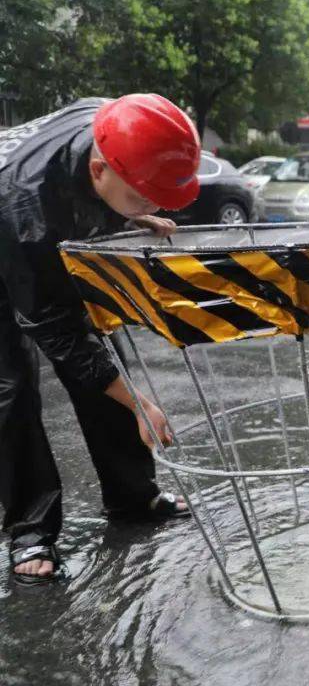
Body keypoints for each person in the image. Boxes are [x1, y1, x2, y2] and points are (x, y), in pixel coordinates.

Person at [0, 94, 200, 585]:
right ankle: (31, 529)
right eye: (143, 195)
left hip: (40, 224)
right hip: (8, 226)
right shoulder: (29, 214)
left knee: (103, 345)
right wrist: (138, 403)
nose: (153, 207)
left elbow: (86, 342)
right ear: (97, 171)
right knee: (12, 387)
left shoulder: (117, 122)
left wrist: (133, 211)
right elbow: (58, 334)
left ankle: (133, 495)